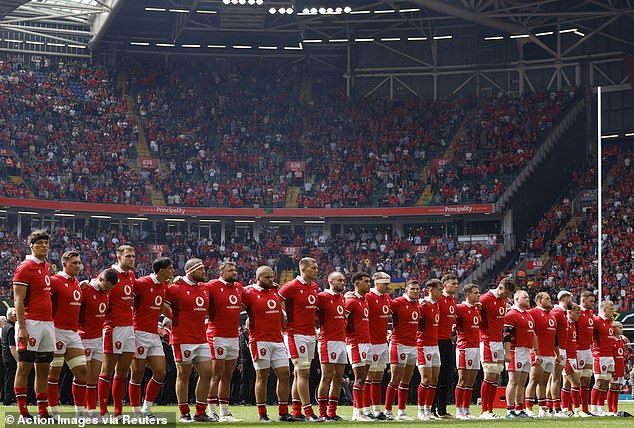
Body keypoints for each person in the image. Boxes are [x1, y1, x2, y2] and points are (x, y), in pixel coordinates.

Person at [242, 265, 298, 422]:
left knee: (285, 374)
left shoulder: (275, 291)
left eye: (272, 277)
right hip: (259, 340)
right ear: (258, 277)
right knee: (262, 376)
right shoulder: (248, 293)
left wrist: (283, 325)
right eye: (267, 277)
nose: (271, 280)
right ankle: (262, 414)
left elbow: (280, 313)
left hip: (277, 339)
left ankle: (283, 413)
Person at [165, 258, 215, 422]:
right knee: (184, 375)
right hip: (182, 338)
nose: (204, 272)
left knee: (207, 372)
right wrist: (173, 319)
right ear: (191, 271)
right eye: (201, 269)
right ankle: (184, 412)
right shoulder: (176, 288)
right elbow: (162, 305)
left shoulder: (204, 288)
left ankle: (200, 412)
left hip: (201, 337)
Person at [13, 230, 55, 420]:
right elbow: (18, 300)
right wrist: (22, 326)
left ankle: (42, 412)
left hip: (47, 323)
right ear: (31, 245)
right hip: (30, 322)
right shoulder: (24, 267)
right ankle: (22, 412)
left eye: (46, 243)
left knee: (44, 367)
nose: (44, 246)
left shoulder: (46, 266)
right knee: (24, 366)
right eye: (40, 243)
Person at [129, 257, 174, 417]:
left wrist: (175, 319)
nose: (172, 271)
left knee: (161, 372)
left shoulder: (163, 286)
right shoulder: (141, 283)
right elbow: (127, 300)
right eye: (170, 268)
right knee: (137, 374)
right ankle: (135, 412)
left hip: (154, 335)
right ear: (161, 271)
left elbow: (161, 307)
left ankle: (146, 409)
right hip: (138, 333)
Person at [278, 257, 321, 421]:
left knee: (300, 374)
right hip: (295, 333)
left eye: (317, 267)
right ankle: (309, 412)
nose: (316, 270)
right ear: (303, 269)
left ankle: (296, 411)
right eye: (313, 267)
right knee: (303, 372)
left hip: (310, 334)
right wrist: (283, 317)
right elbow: (276, 301)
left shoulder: (315, 287)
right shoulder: (291, 286)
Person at [47, 251, 88, 417]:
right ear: (64, 264)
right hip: (56, 331)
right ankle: (53, 411)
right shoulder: (55, 281)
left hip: (73, 333)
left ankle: (80, 412)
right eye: (74, 263)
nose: (78, 265)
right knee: (54, 374)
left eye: (79, 263)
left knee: (82, 372)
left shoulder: (77, 283)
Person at [98, 245, 136, 418]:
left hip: (129, 327)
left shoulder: (132, 276)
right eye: (128, 256)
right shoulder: (108, 275)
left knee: (123, 372)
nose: (132, 259)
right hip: (113, 327)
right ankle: (103, 410)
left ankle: (118, 411)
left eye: (133, 256)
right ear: (118, 257)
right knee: (107, 371)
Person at [204, 261, 244, 422]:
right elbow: (197, 289)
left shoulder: (239, 287)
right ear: (221, 272)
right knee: (216, 374)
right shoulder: (212, 285)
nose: (234, 272)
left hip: (233, 336)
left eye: (235, 270)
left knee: (228, 375)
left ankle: (224, 412)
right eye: (230, 270)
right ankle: (211, 411)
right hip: (216, 336)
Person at [79, 269, 118, 417]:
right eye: (106, 287)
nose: (107, 290)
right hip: (84, 337)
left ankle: (91, 409)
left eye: (110, 289)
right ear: (100, 279)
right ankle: (81, 408)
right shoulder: (85, 289)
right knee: (83, 375)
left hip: (98, 338)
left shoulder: (106, 293)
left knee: (94, 376)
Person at [479, 277, 515, 419]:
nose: (507, 296)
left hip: (497, 341)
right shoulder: (485, 299)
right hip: (487, 341)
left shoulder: (502, 301)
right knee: (489, 375)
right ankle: (483, 411)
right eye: (506, 293)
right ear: (500, 288)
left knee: (496, 376)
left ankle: (490, 409)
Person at [316, 272, 346, 421]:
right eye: (339, 280)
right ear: (330, 281)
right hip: (328, 341)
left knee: (338, 378)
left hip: (341, 341)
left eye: (343, 280)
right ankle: (322, 413)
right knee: (326, 377)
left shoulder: (342, 298)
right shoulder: (321, 297)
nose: (342, 282)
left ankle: (332, 412)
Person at [503, 289, 537, 419]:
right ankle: (509, 409)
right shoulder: (511, 314)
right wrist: (507, 353)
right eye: (525, 297)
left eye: (528, 297)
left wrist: (535, 350)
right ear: (517, 299)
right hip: (515, 350)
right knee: (513, 380)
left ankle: (519, 408)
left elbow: (532, 334)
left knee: (522, 382)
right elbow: (506, 335)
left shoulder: (528, 315)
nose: (528, 299)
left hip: (526, 350)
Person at [345, 272, 373, 421]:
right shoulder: (350, 301)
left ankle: (361, 411)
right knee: (359, 378)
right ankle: (357, 412)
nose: (369, 284)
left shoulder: (365, 300)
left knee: (364, 378)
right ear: (356, 283)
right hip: (356, 343)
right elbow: (342, 320)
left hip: (367, 342)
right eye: (366, 281)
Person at [525, 292, 557, 418]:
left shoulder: (551, 316)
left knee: (543, 382)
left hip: (550, 353)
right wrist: (534, 350)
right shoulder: (533, 312)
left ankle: (542, 409)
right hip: (539, 353)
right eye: (546, 299)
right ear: (538, 300)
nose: (550, 300)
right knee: (533, 380)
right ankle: (528, 408)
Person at [364, 272, 391, 420]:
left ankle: (377, 410)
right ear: (377, 283)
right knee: (369, 377)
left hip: (382, 343)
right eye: (385, 283)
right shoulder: (368, 297)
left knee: (378, 378)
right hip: (371, 343)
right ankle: (365, 410)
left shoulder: (387, 298)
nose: (388, 286)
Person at [454, 283, 481, 419]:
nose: (478, 295)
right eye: (475, 293)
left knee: (471, 381)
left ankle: (466, 409)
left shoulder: (477, 309)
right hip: (464, 347)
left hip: (476, 347)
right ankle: (459, 410)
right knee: (463, 380)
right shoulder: (459, 308)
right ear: (468, 294)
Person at [433, 273, 457, 419]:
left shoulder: (453, 300)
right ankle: (430, 409)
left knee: (447, 377)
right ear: (445, 285)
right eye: (453, 283)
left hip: (448, 340)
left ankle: (442, 409)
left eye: (456, 283)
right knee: (435, 377)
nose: (455, 286)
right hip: (436, 341)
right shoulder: (437, 299)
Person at [417, 278, 442, 420]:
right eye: (439, 288)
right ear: (431, 289)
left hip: (434, 345)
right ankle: (421, 410)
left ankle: (428, 410)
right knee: (425, 379)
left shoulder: (436, 305)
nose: (441, 291)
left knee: (434, 380)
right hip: (423, 345)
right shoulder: (422, 305)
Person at [561, 304, 590, 417]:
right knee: (575, 383)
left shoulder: (572, 325)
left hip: (573, 358)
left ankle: (565, 410)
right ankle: (577, 410)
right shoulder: (565, 324)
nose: (579, 315)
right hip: (566, 357)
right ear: (569, 312)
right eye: (577, 313)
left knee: (567, 384)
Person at [547, 290, 573, 416]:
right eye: (571, 299)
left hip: (559, 348)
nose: (572, 302)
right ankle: (556, 408)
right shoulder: (557, 313)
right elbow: (552, 332)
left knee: (552, 378)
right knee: (556, 379)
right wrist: (556, 350)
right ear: (566, 299)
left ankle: (549, 407)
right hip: (557, 349)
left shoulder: (561, 313)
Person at [590, 299, 615, 416]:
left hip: (610, 356)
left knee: (606, 383)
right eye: (611, 309)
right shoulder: (596, 321)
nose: (613, 312)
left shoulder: (610, 322)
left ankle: (601, 409)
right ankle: (593, 409)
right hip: (600, 356)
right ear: (604, 310)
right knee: (599, 382)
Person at [576, 290, 595, 414]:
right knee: (574, 381)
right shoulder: (576, 312)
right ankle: (573, 409)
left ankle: (585, 409)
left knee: (586, 380)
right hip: (577, 350)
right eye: (591, 301)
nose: (593, 303)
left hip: (588, 350)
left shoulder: (591, 313)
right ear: (583, 300)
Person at [607, 321, 628, 415]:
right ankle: (610, 409)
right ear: (614, 329)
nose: (622, 329)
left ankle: (615, 408)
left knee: (617, 388)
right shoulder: (610, 340)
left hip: (621, 366)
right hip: (614, 366)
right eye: (620, 327)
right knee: (612, 387)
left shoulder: (621, 340)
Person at [2, 308, 18, 405]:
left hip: (6, 357)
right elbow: (12, 347)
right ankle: (8, 399)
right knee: (11, 379)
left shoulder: (5, 326)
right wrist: (18, 360)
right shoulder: (11, 328)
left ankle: (7, 398)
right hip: (10, 357)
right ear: (12, 316)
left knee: (8, 378)